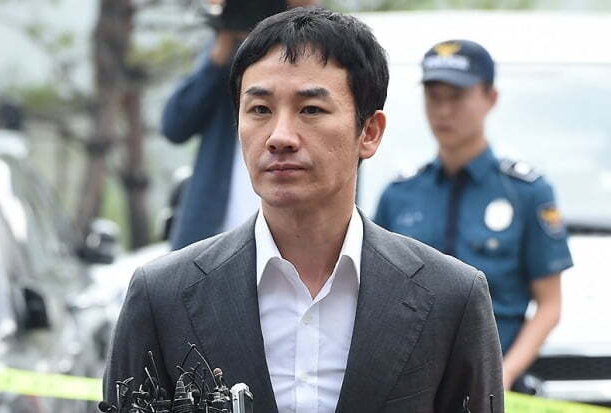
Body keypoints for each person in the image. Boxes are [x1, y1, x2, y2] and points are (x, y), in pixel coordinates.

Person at [105, 9, 504, 412]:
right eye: (260, 110)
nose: (279, 137)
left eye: (311, 109)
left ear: (369, 132)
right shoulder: (162, 295)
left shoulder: (451, 297)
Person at [374, 39, 573, 392]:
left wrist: (501, 375)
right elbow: (377, 299)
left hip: (498, 387)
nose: (443, 111)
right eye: (434, 97)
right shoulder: (399, 194)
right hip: (412, 389)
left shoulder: (527, 193)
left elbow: (549, 305)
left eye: (457, 97)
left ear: (490, 98)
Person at [161, 0, 315, 250]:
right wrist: (220, 51)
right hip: (212, 235)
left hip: (289, 240)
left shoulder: (314, 52)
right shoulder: (224, 57)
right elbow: (175, 126)